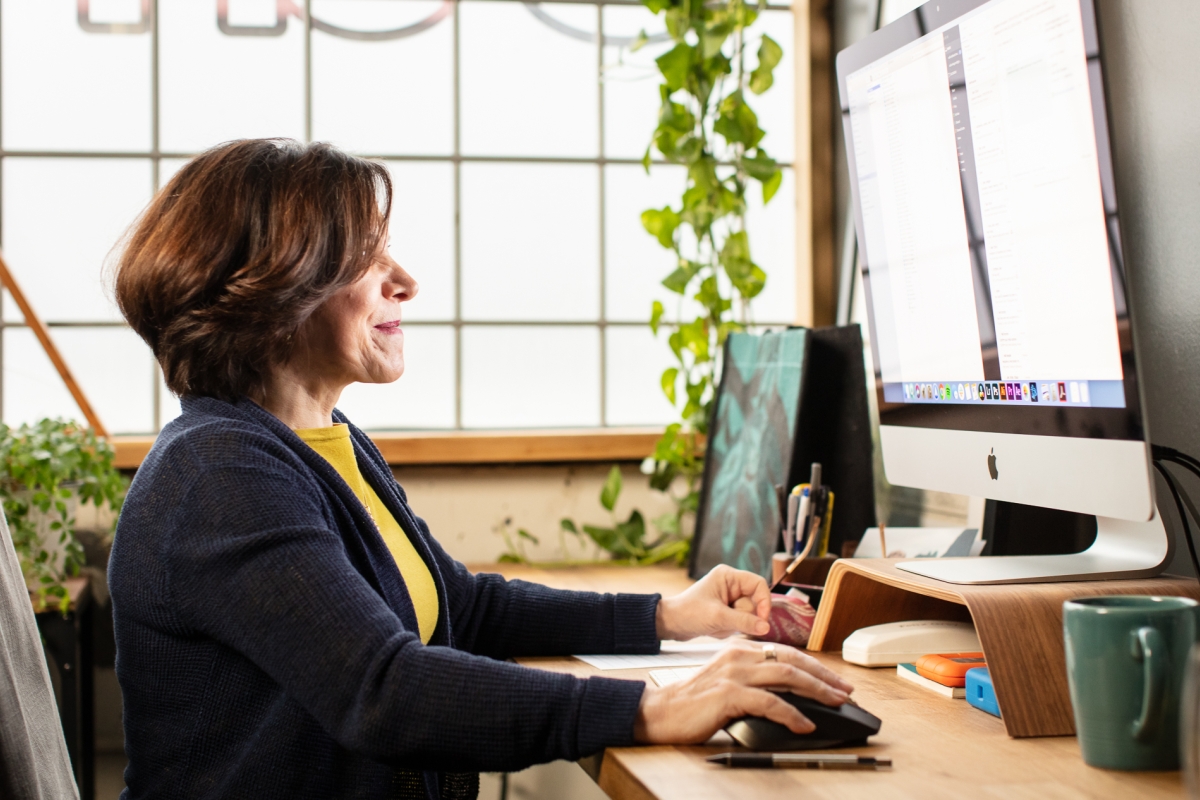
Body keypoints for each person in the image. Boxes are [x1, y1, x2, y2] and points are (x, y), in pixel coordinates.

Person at [107, 139, 853, 800]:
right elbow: (382, 689)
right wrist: (652, 707)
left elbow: (461, 607)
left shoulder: (326, 440)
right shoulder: (218, 474)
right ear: (273, 289)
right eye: (367, 257)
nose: (404, 280)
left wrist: (668, 618)